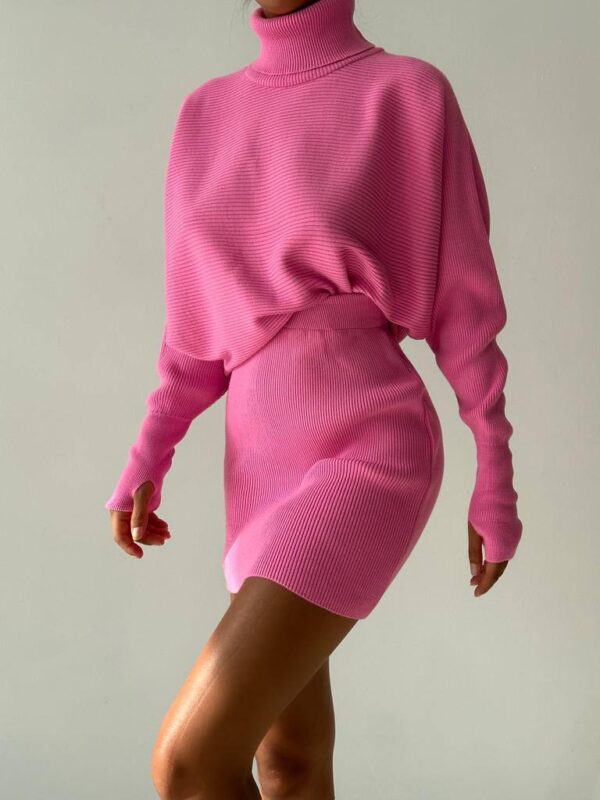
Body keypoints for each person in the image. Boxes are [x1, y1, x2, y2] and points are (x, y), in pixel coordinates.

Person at [104, 0, 524, 797]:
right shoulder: (205, 115)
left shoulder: (406, 94)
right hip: (255, 469)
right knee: (287, 762)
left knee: (188, 763)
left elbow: (466, 313)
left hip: (371, 450)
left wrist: (494, 478)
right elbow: (194, 331)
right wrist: (147, 455)